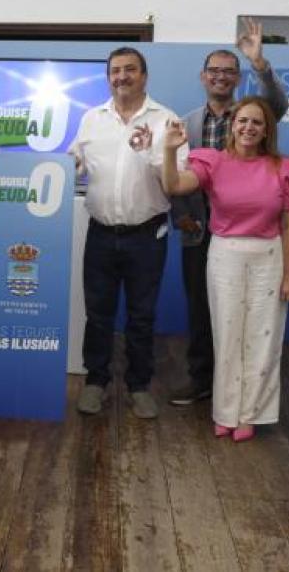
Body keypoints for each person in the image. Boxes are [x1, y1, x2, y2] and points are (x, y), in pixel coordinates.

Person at [162, 97, 289, 441]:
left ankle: (251, 415)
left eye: (257, 122)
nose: (248, 128)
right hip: (225, 255)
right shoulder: (212, 162)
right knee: (227, 337)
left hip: (269, 257)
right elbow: (173, 186)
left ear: (266, 130)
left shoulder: (283, 168)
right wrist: (169, 151)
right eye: (243, 121)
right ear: (233, 125)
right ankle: (226, 413)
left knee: (263, 337)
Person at [169, 17, 289, 406]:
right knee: (201, 311)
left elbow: (279, 103)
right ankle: (203, 380)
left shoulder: (253, 115)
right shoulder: (186, 122)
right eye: (214, 71)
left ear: (237, 78)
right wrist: (179, 215)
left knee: (246, 315)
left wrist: (259, 63)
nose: (221, 77)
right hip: (198, 231)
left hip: (245, 233)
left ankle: (238, 388)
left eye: (228, 71)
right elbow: (174, 173)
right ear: (203, 77)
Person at [69, 46, 180, 419]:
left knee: (141, 315)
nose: (121, 77)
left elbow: (173, 182)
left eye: (130, 70)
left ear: (144, 75)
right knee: (98, 314)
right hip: (100, 232)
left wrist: (152, 152)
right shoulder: (91, 118)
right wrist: (74, 163)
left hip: (147, 236)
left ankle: (139, 385)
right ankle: (95, 381)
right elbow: (77, 163)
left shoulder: (167, 120)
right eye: (115, 71)